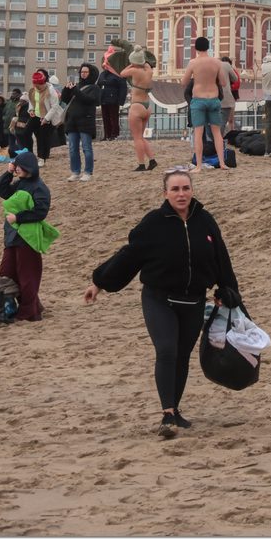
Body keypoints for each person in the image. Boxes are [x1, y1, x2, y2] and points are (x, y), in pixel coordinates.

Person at [85, 168, 242, 438]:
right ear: (165, 193)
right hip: (159, 299)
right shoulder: (153, 223)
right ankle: (167, 414)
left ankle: (175, 410)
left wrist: (228, 290)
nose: (181, 194)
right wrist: (99, 282)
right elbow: (129, 256)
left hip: (193, 301)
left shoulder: (205, 221)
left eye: (185, 188)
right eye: (175, 189)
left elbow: (220, 257)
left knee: (182, 355)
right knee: (167, 349)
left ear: (192, 191)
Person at [0, 152, 53, 321]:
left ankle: (30, 312)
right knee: (7, 273)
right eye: (16, 166)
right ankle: (33, 305)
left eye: (19, 166)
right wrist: (8, 173)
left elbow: (40, 211)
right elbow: (2, 191)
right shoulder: (19, 184)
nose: (17, 169)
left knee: (28, 276)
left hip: (28, 238)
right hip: (12, 236)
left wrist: (18, 218)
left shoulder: (39, 187)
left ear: (29, 167)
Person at [181, 37, 232, 171]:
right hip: (214, 99)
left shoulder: (193, 63)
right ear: (208, 47)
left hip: (198, 100)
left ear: (196, 48)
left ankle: (198, 166)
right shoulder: (217, 62)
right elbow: (223, 83)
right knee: (217, 133)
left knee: (198, 134)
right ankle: (222, 163)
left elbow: (184, 82)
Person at [61, 63, 101, 181]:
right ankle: (75, 172)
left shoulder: (95, 88)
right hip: (72, 121)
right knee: (72, 148)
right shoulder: (77, 86)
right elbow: (65, 100)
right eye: (82, 72)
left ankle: (88, 172)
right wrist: (66, 90)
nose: (83, 74)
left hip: (86, 121)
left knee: (86, 148)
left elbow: (89, 100)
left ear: (91, 73)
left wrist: (75, 91)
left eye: (86, 72)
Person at [120, 49, 158, 172]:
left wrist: (131, 64)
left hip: (136, 105)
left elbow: (122, 73)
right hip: (147, 106)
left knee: (137, 138)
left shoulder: (134, 71)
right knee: (141, 137)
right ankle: (152, 160)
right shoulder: (149, 70)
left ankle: (141, 164)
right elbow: (145, 63)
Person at [22, 69, 60, 167]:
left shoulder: (51, 90)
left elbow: (54, 107)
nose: (37, 87)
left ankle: (41, 158)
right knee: (25, 132)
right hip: (36, 115)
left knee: (42, 138)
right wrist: (31, 110)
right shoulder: (33, 90)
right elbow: (32, 101)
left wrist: (46, 119)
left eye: (39, 85)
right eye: (35, 85)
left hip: (47, 116)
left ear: (43, 82)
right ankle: (29, 154)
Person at [97, 64, 128, 140]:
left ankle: (114, 134)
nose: (105, 67)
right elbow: (98, 85)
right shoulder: (102, 74)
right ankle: (107, 135)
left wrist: (121, 100)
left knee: (113, 118)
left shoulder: (117, 74)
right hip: (103, 99)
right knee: (105, 118)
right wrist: (98, 97)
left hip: (113, 99)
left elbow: (123, 87)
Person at [2, 88, 22, 155]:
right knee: (11, 142)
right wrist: (4, 118)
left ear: (19, 94)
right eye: (12, 93)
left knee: (19, 142)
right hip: (8, 125)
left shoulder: (20, 102)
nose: (13, 95)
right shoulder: (9, 102)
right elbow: (4, 112)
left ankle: (19, 155)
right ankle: (13, 155)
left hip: (16, 125)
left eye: (15, 93)